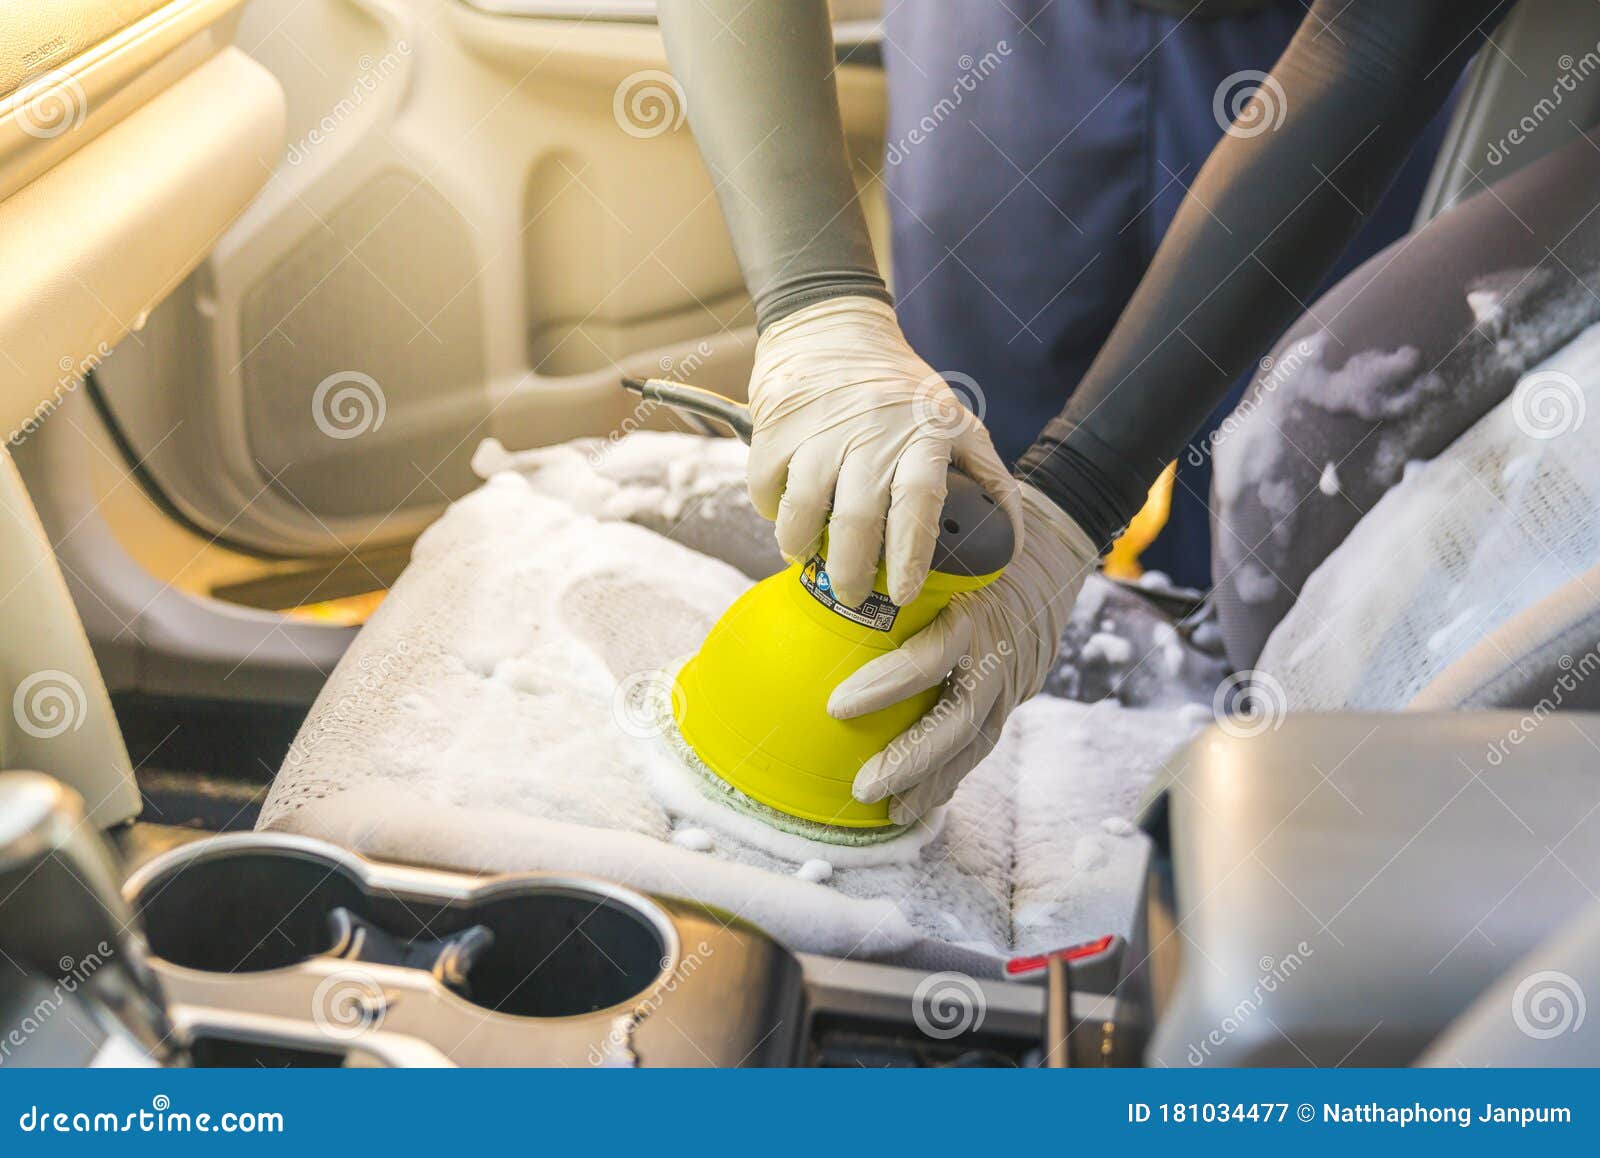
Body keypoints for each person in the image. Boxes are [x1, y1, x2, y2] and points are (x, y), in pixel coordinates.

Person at [658, 0, 1514, 823]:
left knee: (1263, 536)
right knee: (954, 492)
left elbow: (1385, 32)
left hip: (1333, 67)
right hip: (999, 42)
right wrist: (819, 304)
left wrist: (1080, 501)